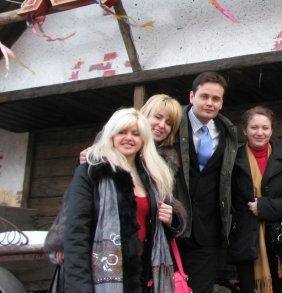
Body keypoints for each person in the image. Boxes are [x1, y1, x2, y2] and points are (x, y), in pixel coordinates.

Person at [44, 93, 184, 290]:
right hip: (98, 269)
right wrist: (61, 242)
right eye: (158, 117)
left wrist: (173, 218)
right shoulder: (95, 165)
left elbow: (161, 210)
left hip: (138, 272)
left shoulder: (156, 170)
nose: (162, 125)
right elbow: (75, 214)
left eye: (169, 123)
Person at [228, 106, 282, 293]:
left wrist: (264, 207)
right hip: (246, 242)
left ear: (272, 130)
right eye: (254, 127)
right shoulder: (232, 161)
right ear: (244, 130)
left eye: (265, 128)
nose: (260, 132)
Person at [175, 71, 238, 293]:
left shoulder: (227, 132)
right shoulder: (171, 123)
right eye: (204, 96)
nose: (210, 103)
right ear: (192, 96)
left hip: (206, 231)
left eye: (216, 98)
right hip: (171, 227)